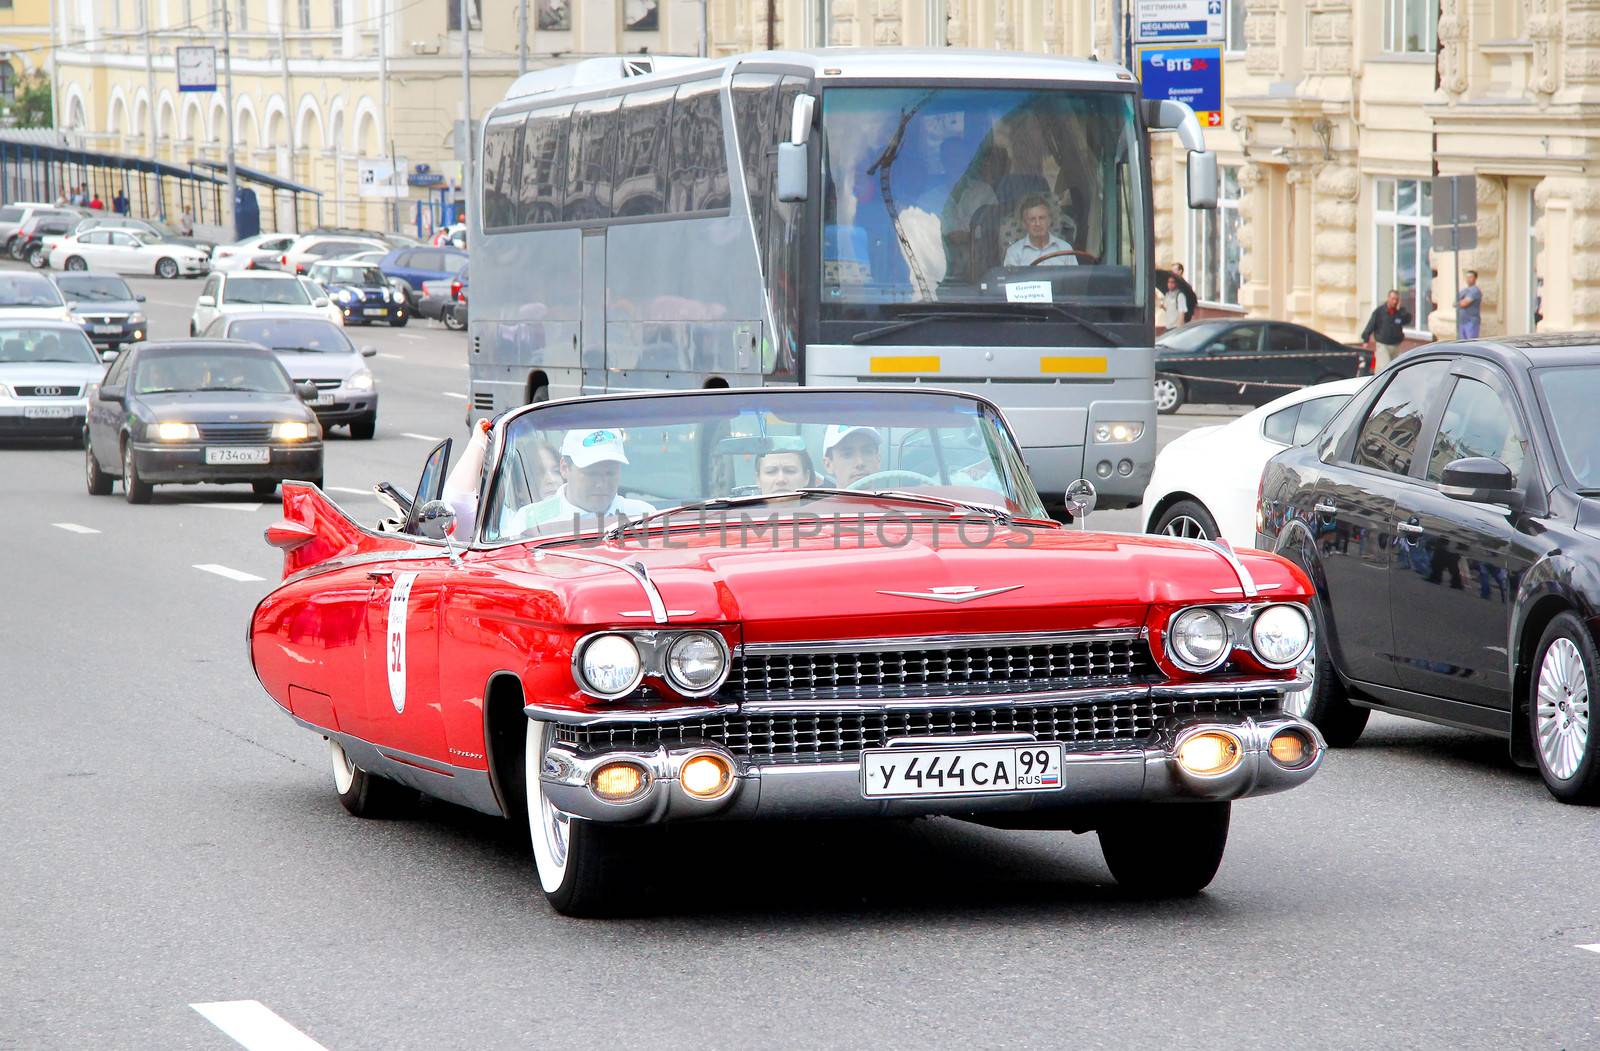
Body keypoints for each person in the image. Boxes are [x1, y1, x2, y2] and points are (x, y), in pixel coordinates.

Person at [503, 428, 655, 534]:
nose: (601, 483)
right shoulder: (531, 520)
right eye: (591, 473)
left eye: (610, 473)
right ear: (564, 468)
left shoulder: (644, 516)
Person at [1003, 195, 1077, 268]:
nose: (1037, 223)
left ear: (1049, 220)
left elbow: (1075, 279)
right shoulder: (1013, 252)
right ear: (1024, 224)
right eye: (1032, 219)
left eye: (1042, 218)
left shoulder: (1065, 249)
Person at [1360, 288, 1413, 369]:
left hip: (1396, 345)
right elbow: (1371, 325)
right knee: (1386, 367)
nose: (1395, 301)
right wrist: (1365, 339)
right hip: (1383, 345)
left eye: (1397, 299)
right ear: (1388, 298)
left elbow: (1408, 319)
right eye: (1393, 299)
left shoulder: (1400, 312)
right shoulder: (1380, 311)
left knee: (1395, 368)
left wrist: (1401, 311)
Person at [822, 425, 882, 490]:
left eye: (867, 451)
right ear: (828, 465)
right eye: (847, 454)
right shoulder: (818, 500)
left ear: (878, 460)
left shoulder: (893, 499)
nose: (860, 462)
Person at [1456, 269, 1482, 340]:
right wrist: (1459, 303)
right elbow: (1454, 303)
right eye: (1467, 277)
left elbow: (1464, 303)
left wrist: (1459, 303)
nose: (1468, 279)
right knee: (1462, 344)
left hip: (1471, 322)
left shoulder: (1475, 291)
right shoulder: (1464, 290)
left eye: (1471, 277)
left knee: (1471, 343)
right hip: (1462, 322)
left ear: (1475, 278)